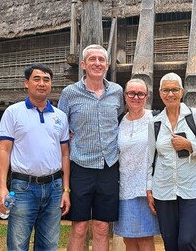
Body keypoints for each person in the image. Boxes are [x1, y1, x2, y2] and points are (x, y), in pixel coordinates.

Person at [0, 63, 71, 251]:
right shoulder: (13, 113)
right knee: (18, 243)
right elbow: (4, 150)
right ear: (26, 83)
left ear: (51, 85)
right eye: (36, 79)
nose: (42, 83)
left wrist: (66, 190)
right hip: (23, 188)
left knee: (49, 245)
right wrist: (1, 187)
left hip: (54, 188)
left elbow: (65, 153)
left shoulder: (60, 116)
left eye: (46, 80)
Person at [58, 44, 123, 251]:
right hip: (80, 166)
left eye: (101, 60)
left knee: (102, 227)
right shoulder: (70, 93)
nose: (97, 63)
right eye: (92, 59)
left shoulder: (117, 92)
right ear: (84, 65)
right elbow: (60, 125)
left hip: (109, 166)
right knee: (79, 227)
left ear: (108, 64)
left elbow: (119, 116)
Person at [147, 73, 196, 251]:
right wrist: (149, 189)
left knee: (187, 240)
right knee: (170, 242)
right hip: (163, 189)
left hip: (192, 188)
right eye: (166, 90)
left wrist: (189, 145)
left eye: (175, 89)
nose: (171, 94)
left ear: (182, 92)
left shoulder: (194, 116)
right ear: (160, 93)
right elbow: (150, 160)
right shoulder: (155, 123)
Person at [113, 79, 160, 251]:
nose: (136, 97)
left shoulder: (155, 119)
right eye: (131, 93)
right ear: (125, 96)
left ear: (146, 96)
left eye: (140, 93)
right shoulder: (119, 122)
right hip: (124, 188)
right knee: (129, 239)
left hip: (146, 188)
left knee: (145, 239)